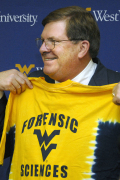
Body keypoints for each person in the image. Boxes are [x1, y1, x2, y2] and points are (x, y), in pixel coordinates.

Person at [0, 6, 120, 179]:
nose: (42, 49)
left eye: (53, 41)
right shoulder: (30, 85)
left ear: (82, 48)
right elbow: (4, 147)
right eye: (42, 41)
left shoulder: (113, 89)